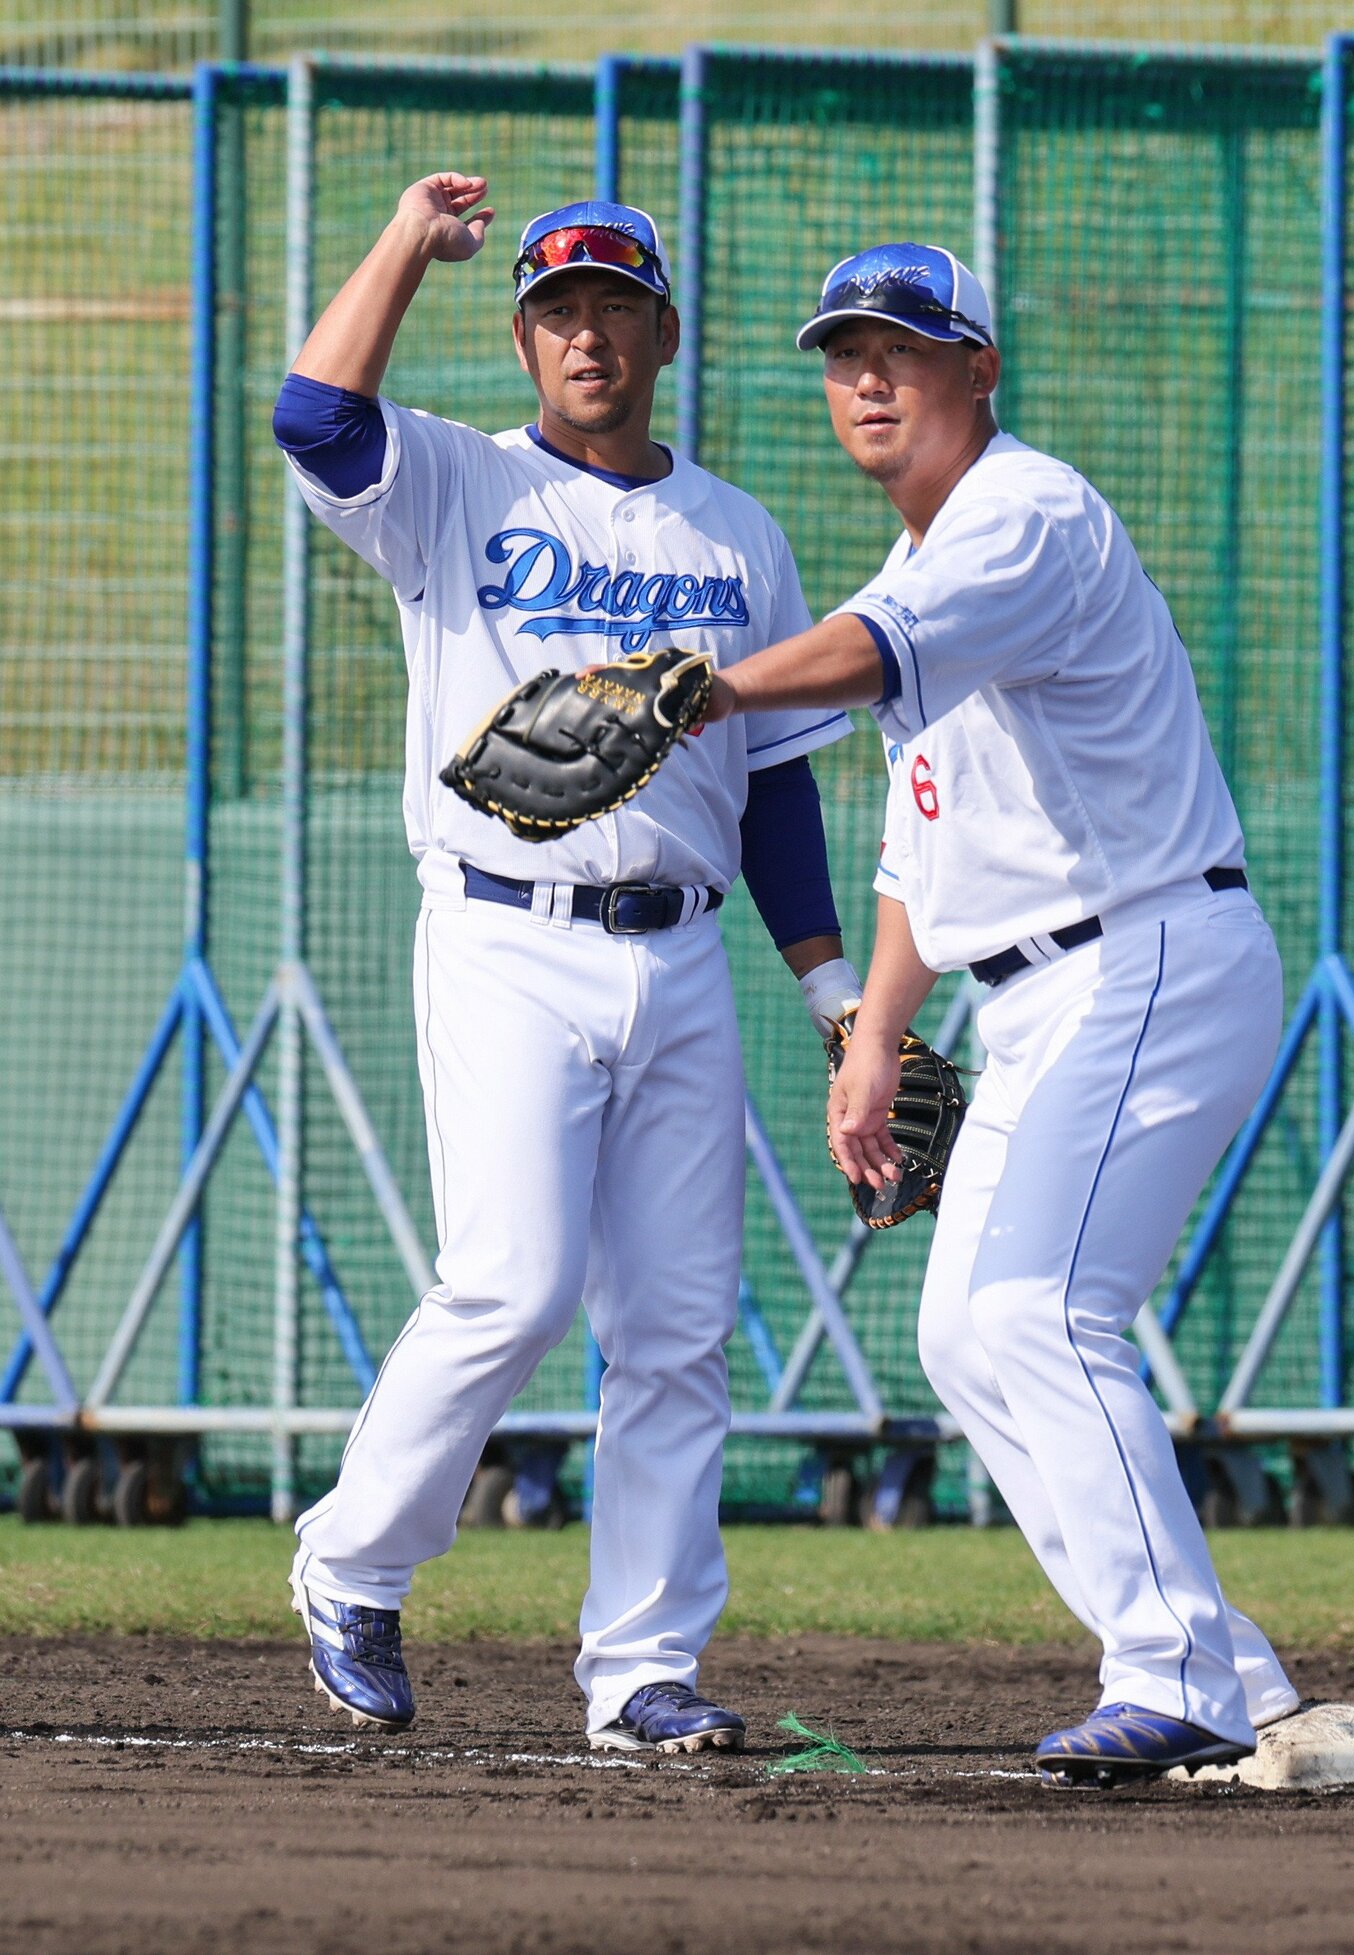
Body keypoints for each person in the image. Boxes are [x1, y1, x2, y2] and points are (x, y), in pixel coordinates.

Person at [698, 242, 1300, 1786]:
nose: (868, 376)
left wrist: (690, 690)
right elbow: (919, 845)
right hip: (1040, 992)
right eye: (843, 352)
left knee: (1042, 1309)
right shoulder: (918, 572)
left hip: (1146, 956)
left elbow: (857, 664)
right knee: (968, 1331)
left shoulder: (1025, 516)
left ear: (981, 371)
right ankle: (1221, 1660)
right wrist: (877, 1034)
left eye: (903, 346)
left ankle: (1174, 1667)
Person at [271, 181, 861, 1753]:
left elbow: (783, 782)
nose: (583, 333)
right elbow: (316, 417)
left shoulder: (737, 531)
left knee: (677, 1327)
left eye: (611, 306)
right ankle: (353, 1560)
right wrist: (403, 242)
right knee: (513, 1282)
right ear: (524, 336)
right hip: (502, 934)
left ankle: (643, 1669)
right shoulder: (456, 482)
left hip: (681, 958)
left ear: (664, 330)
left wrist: (827, 989)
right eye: (553, 310)